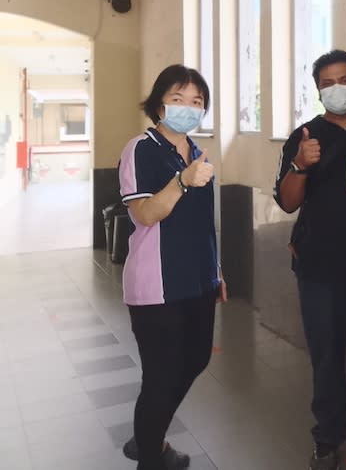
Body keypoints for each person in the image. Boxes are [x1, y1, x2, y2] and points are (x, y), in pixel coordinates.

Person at [274, 50, 346, 470]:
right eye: (327, 82)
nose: (336, 88)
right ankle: (328, 437)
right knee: (326, 356)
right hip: (321, 267)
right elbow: (287, 202)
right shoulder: (304, 135)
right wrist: (300, 165)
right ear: (318, 88)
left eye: (344, 79)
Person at [118, 65, 226, 470]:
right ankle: (151, 454)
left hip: (198, 279)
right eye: (178, 99)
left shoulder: (196, 152)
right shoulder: (141, 149)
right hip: (156, 285)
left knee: (196, 359)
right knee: (161, 376)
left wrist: (217, 271)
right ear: (159, 102)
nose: (188, 108)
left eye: (197, 101)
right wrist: (182, 181)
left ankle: (149, 432)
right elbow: (145, 213)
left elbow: (202, 222)